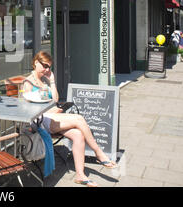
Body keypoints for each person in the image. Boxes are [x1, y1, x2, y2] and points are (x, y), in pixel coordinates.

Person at [23, 51, 118, 187]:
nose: (47, 69)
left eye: (49, 67)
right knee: (78, 119)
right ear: (36, 63)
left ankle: (80, 175)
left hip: (50, 117)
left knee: (78, 135)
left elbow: (55, 99)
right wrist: (51, 109)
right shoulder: (28, 82)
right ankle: (99, 152)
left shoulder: (44, 80)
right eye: (44, 65)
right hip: (39, 121)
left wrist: (52, 81)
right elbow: (29, 109)